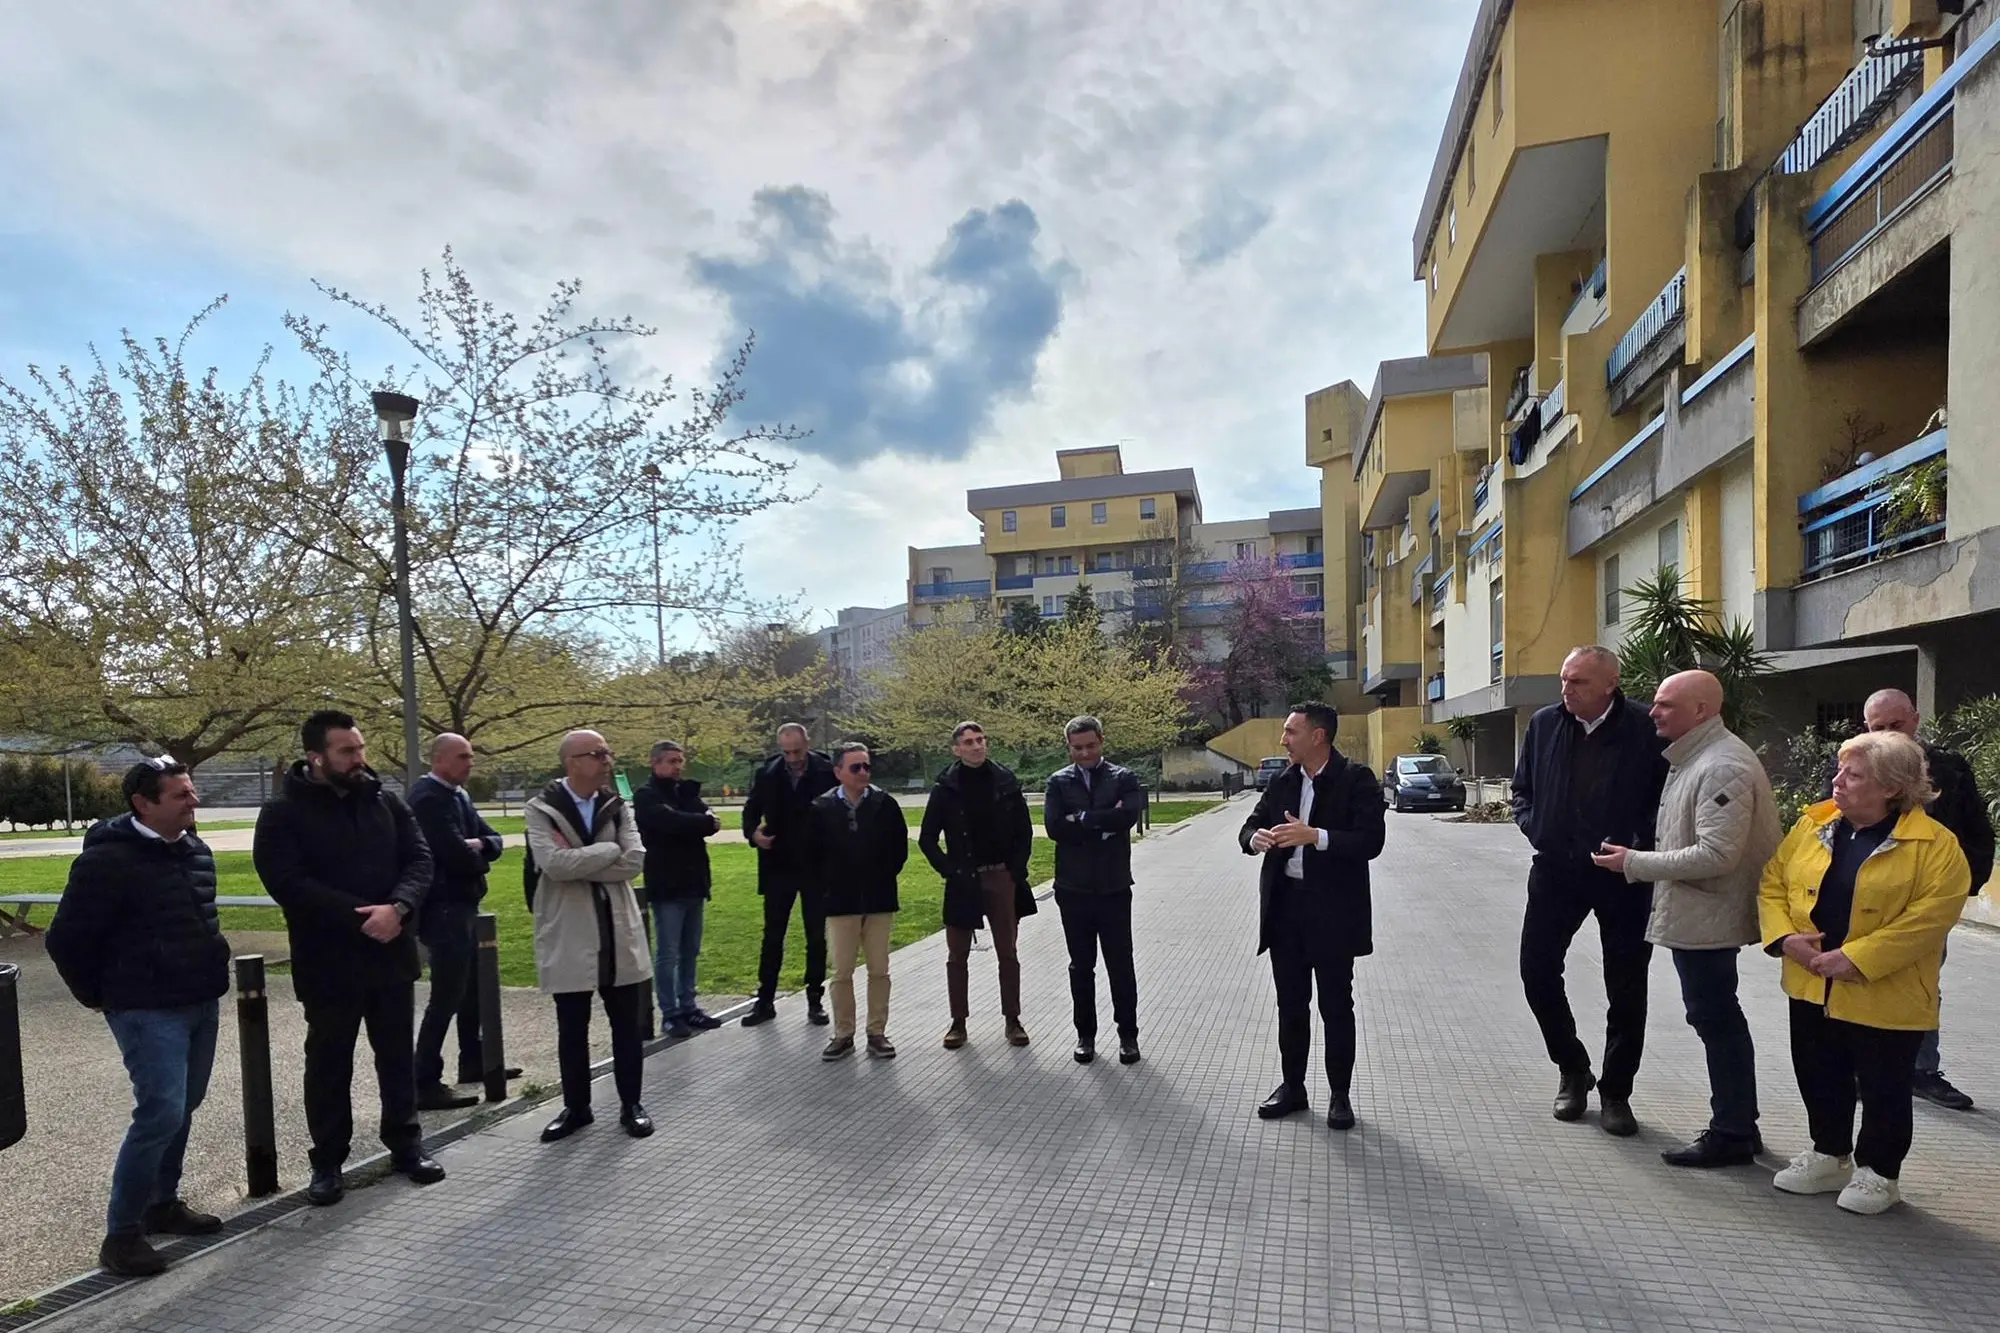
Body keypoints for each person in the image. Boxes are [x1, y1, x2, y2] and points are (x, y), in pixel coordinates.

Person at [1760, 729, 1969, 1215]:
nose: (1838, 781)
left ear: (1891, 787)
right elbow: (1773, 882)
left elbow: (1930, 918)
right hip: (1813, 981)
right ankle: (1829, 1153)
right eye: (1840, 770)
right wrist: (1785, 938)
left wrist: (1857, 959)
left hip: (1886, 991)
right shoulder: (1814, 825)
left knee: (1883, 1085)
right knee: (1818, 1073)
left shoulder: (1936, 847)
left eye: (1853, 775)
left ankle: (1880, 1173)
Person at [46, 759, 230, 1277]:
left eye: (192, 793)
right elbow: (65, 939)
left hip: (199, 1000)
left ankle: (161, 1203)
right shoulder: (107, 862)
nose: (193, 803)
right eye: (181, 796)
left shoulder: (196, 849)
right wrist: (98, 997)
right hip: (146, 1009)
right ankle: (121, 1235)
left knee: (183, 1106)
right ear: (143, 804)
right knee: (161, 1112)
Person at [253, 711, 445, 1206]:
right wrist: (361, 916)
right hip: (328, 962)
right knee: (328, 1063)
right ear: (316, 757)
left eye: (360, 748)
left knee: (397, 1057)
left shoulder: (386, 802)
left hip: (391, 955)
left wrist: (398, 908)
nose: (359, 758)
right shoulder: (282, 813)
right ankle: (329, 1162)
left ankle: (406, 1146)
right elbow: (287, 882)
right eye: (347, 751)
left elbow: (421, 860)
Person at [1592, 671, 1781, 1167]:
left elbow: (1717, 854)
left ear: (1701, 711)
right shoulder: (1696, 758)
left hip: (1709, 914)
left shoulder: (1721, 766)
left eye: (1666, 705)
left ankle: (1733, 1131)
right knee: (1715, 1016)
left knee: (1715, 1018)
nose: (1653, 712)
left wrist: (1634, 863)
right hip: (1700, 912)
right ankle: (1739, 1123)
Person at [1511, 645, 1669, 1136]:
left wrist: (1639, 846)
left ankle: (1617, 1092)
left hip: (1623, 875)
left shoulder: (1647, 729)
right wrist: (1537, 827)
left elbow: (1666, 800)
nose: (1566, 689)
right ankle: (1573, 1068)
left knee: (1625, 986)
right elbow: (1522, 790)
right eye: (1564, 678)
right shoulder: (1544, 724)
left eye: (1578, 681)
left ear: (1610, 684)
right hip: (1557, 870)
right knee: (1536, 971)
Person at [1239, 703, 1385, 1129]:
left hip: (1334, 914)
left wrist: (1314, 836)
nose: (1284, 739)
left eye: (1291, 732)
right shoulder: (1282, 781)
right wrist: (1256, 839)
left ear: (1318, 736)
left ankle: (1340, 1095)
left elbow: (1371, 840)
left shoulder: (1356, 780)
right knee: (1290, 1005)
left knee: (1336, 1006)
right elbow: (1247, 827)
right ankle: (1293, 1087)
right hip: (1287, 911)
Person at [1856, 688, 1993, 1110]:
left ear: (1915, 720)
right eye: (1878, 728)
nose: (1888, 735)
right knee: (1859, 978)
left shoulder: (1949, 770)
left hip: (1927, 903)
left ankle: (1921, 1071)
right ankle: (1861, 1070)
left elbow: (1977, 833)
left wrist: (1956, 887)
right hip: (1866, 897)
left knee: (1922, 985)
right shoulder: (1852, 767)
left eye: (1896, 725)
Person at [526, 730, 654, 1142]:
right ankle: (576, 1107)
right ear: (572, 762)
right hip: (570, 928)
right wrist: (606, 851)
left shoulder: (618, 806)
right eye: (598, 754)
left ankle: (631, 1103)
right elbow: (552, 865)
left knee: (627, 1025)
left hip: (617, 926)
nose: (606, 760)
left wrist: (581, 858)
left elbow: (633, 860)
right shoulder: (541, 808)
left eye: (607, 752)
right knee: (572, 1026)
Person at [918, 721, 1037, 1050]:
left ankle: (1012, 1020)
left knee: (1008, 952)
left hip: (1001, 875)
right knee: (957, 954)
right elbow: (927, 839)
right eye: (968, 742)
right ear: (956, 748)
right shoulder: (945, 787)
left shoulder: (1005, 781)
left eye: (981, 739)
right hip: (962, 879)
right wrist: (948, 871)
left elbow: (1024, 832)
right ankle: (958, 1022)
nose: (976, 746)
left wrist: (1015, 870)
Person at [407, 733, 505, 1109]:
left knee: (471, 989)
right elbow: (451, 855)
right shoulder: (429, 799)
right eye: (463, 756)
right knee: (446, 994)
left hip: (463, 903)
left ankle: (473, 1059)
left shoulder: (458, 796)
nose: (471, 762)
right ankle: (424, 1079)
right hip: (444, 907)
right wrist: (479, 853)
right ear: (439, 760)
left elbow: (490, 839)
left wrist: (479, 846)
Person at [1045, 716, 1147, 1066]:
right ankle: (1085, 1035)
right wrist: (1104, 820)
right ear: (1069, 747)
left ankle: (1128, 1036)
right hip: (1072, 889)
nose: (1085, 752)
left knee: (1120, 964)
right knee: (1081, 966)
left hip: (1114, 887)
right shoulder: (1058, 782)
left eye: (1090, 745)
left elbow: (1129, 816)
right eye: (1078, 747)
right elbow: (1055, 828)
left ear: (1101, 741)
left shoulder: (1123, 778)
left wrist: (1083, 819)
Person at [807, 742, 908, 1060]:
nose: (863, 772)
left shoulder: (884, 804)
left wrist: (880, 876)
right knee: (841, 972)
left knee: (879, 969)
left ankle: (876, 1032)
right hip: (839, 902)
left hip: (878, 900)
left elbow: (899, 849)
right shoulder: (821, 808)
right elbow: (811, 857)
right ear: (838, 772)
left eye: (866, 766)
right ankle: (843, 1033)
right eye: (855, 767)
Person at [740, 723, 840, 1028]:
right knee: (772, 935)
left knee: (815, 935)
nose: (793, 758)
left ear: (807, 743)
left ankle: (815, 999)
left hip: (815, 866)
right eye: (786, 752)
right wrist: (753, 834)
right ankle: (765, 1000)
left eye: (797, 751)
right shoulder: (768, 773)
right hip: (778, 865)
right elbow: (751, 810)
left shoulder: (826, 770)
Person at [633, 740, 722, 1040]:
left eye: (680, 761)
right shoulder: (646, 796)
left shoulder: (685, 792)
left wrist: (697, 822)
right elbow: (670, 823)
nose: (677, 766)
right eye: (671, 761)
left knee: (690, 950)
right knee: (668, 952)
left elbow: (710, 822)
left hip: (694, 881)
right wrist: (698, 823)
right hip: (666, 883)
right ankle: (669, 1013)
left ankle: (689, 1005)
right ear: (655, 763)